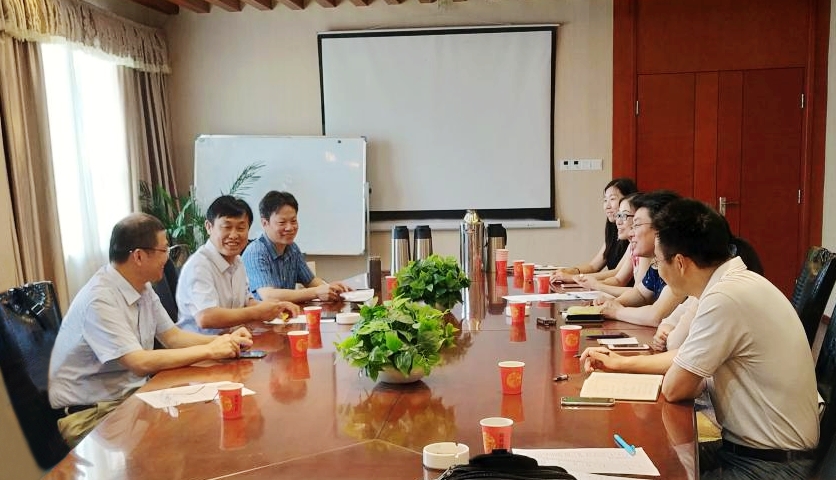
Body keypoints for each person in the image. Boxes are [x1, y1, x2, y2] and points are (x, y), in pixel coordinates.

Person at [582, 198, 818, 479]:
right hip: (756, 451)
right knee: (641, 461)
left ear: (680, 262)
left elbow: (675, 388)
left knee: (643, 468)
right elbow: (687, 358)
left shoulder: (724, 298)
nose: (657, 269)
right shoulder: (732, 284)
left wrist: (678, 376)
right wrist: (622, 363)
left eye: (657, 261)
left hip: (770, 466)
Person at [48, 213, 254, 447]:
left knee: (198, 427)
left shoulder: (143, 288)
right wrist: (210, 351)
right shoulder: (100, 299)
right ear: (138, 256)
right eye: (164, 250)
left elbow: (173, 337)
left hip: (131, 399)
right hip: (93, 415)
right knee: (183, 444)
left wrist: (226, 341)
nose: (168, 257)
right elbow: (139, 362)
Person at [176, 195, 301, 335]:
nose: (234, 235)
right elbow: (206, 317)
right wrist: (256, 312)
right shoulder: (199, 265)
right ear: (209, 227)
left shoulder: (237, 261)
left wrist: (276, 308)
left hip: (233, 339)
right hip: (203, 345)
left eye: (241, 228)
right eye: (227, 227)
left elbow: (246, 302)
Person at [595, 190, 684, 326]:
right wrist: (612, 304)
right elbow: (641, 294)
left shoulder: (680, 263)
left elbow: (656, 316)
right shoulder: (658, 263)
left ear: (661, 228)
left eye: (636, 225)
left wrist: (617, 312)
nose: (631, 233)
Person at [243, 191, 350, 302]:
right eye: (282, 222)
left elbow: (311, 281)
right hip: (262, 313)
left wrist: (331, 288)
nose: (290, 227)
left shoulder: (292, 248)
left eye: (293, 221)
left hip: (288, 311)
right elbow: (269, 296)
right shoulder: (255, 252)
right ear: (265, 223)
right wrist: (316, 292)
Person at [550, 178, 638, 282]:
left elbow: (618, 276)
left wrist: (574, 278)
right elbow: (593, 266)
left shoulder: (637, 239)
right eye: (605, 200)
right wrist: (569, 271)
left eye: (612, 199)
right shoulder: (614, 231)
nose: (607, 206)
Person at [573, 193, 651, 297]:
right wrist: (588, 283)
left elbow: (639, 294)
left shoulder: (645, 252)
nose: (618, 222)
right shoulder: (632, 246)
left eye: (624, 216)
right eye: (618, 215)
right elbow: (618, 280)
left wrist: (597, 285)